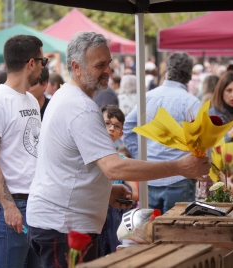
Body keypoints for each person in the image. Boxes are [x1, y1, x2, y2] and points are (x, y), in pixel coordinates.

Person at [26, 32, 209, 266]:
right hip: (63, 227)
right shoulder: (81, 107)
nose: (108, 70)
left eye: (109, 63)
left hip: (56, 223)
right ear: (76, 67)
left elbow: (70, 166)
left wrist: (104, 192)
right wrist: (179, 167)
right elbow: (114, 167)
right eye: (100, 65)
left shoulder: (67, 97)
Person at [0, 34, 45, 267]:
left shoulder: (30, 100)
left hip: (36, 203)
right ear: (31, 63)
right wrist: (8, 206)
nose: (42, 67)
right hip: (13, 205)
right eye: (42, 61)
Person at [123, 52, 203, 214]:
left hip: (151, 175)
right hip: (179, 178)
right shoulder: (191, 102)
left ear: (167, 71)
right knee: (176, 233)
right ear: (188, 77)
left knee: (150, 233)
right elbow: (201, 141)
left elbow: (128, 127)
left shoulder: (149, 97)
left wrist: (143, 156)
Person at [98, 105, 136, 255]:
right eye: (107, 123)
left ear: (121, 133)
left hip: (115, 215)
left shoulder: (121, 160)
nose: (111, 128)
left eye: (116, 125)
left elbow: (136, 193)